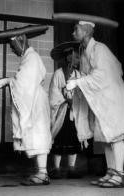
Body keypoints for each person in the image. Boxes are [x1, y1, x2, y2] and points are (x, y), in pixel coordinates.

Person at [65, 20, 124, 188]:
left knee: (116, 136)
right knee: (106, 138)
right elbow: (86, 77)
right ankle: (111, 172)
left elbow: (102, 75)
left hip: (113, 100)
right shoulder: (84, 53)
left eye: (75, 30)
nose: (72, 33)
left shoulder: (100, 49)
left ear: (85, 32)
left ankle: (120, 175)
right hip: (102, 101)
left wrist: (78, 82)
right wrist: (76, 83)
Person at [0, 25, 52, 186]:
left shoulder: (32, 57)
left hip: (35, 101)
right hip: (33, 99)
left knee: (39, 135)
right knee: (35, 135)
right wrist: (9, 81)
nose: (13, 50)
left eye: (13, 46)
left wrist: (8, 81)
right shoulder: (28, 57)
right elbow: (22, 82)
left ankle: (43, 173)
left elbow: (23, 82)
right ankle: (41, 172)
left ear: (21, 41)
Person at [49, 42, 83, 179]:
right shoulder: (58, 73)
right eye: (74, 57)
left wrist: (75, 99)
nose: (77, 60)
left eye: (77, 57)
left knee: (73, 138)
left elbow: (81, 91)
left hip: (73, 111)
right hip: (61, 111)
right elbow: (52, 92)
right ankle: (56, 169)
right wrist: (65, 98)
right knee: (59, 139)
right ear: (68, 57)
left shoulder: (77, 74)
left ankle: (71, 169)